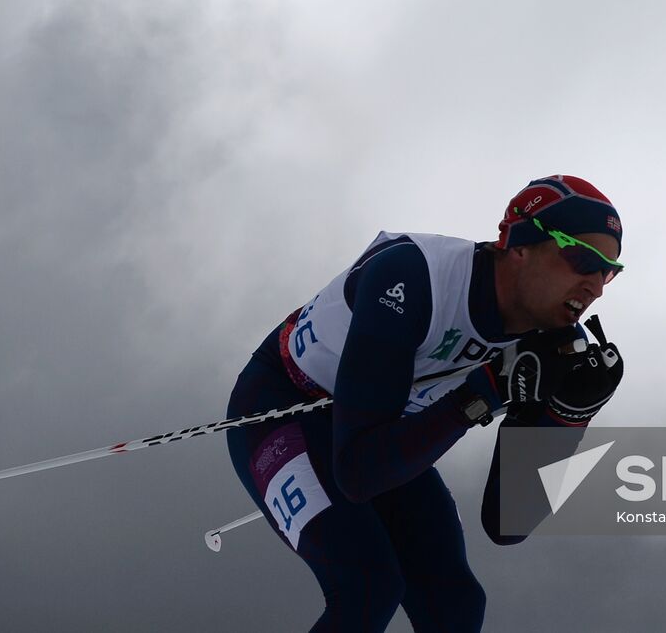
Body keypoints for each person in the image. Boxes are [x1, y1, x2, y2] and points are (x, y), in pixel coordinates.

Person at [224, 175, 626, 632]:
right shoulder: (416, 277)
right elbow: (358, 474)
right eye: (582, 260)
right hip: (287, 406)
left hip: (384, 426)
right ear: (521, 245)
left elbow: (507, 523)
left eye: (609, 271)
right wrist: (484, 392)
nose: (595, 286)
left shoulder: (555, 343)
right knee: (368, 586)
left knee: (455, 606)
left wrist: (571, 414)